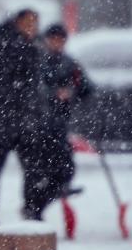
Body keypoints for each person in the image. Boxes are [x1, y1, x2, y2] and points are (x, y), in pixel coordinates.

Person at [0, 8, 51, 235]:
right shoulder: (5, 47)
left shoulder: (35, 47)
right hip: (1, 124)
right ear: (17, 23)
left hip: (24, 123)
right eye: (27, 22)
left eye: (35, 23)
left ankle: (32, 214)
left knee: (33, 171)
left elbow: (36, 87)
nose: (31, 27)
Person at [36, 23, 94, 214]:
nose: (57, 43)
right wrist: (55, 94)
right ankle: (35, 206)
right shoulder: (39, 61)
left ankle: (45, 199)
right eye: (53, 39)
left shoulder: (70, 63)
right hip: (40, 124)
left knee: (64, 167)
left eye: (61, 40)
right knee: (42, 169)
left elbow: (86, 87)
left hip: (60, 123)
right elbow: (34, 90)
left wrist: (75, 92)